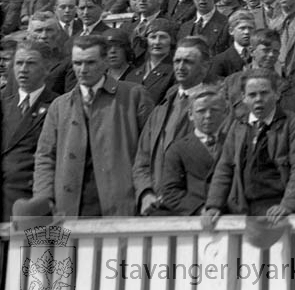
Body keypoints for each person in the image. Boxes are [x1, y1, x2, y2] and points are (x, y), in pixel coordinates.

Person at [32, 34, 152, 217]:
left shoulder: (134, 96)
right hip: (69, 208)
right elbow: (45, 157)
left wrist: (145, 191)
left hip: (120, 203)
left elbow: (148, 151)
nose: (82, 70)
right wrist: (44, 199)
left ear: (105, 62)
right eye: (77, 63)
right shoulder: (59, 105)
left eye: (90, 63)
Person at [204, 71, 295, 224]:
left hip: (279, 210)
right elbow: (224, 169)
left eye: (264, 93)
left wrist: (288, 205)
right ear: (243, 98)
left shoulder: (293, 124)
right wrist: (214, 205)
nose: (258, 99)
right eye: (252, 95)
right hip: (243, 209)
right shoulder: (237, 126)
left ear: (276, 94)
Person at [132, 36, 218, 215]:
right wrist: (146, 193)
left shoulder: (216, 107)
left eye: (188, 62)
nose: (180, 67)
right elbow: (142, 158)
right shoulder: (162, 107)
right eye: (177, 61)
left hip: (197, 208)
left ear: (205, 66)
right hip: (157, 206)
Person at [2, 41, 58, 220]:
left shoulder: (57, 106)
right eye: (19, 63)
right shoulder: (5, 106)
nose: (23, 69)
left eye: (31, 63)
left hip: (32, 201)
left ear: (46, 68)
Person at [159, 90, 229, 215]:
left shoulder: (234, 143)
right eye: (201, 111)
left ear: (225, 113)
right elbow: (170, 192)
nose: (208, 115)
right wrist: (200, 209)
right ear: (190, 114)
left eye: (214, 110)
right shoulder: (177, 149)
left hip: (231, 215)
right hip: (194, 220)